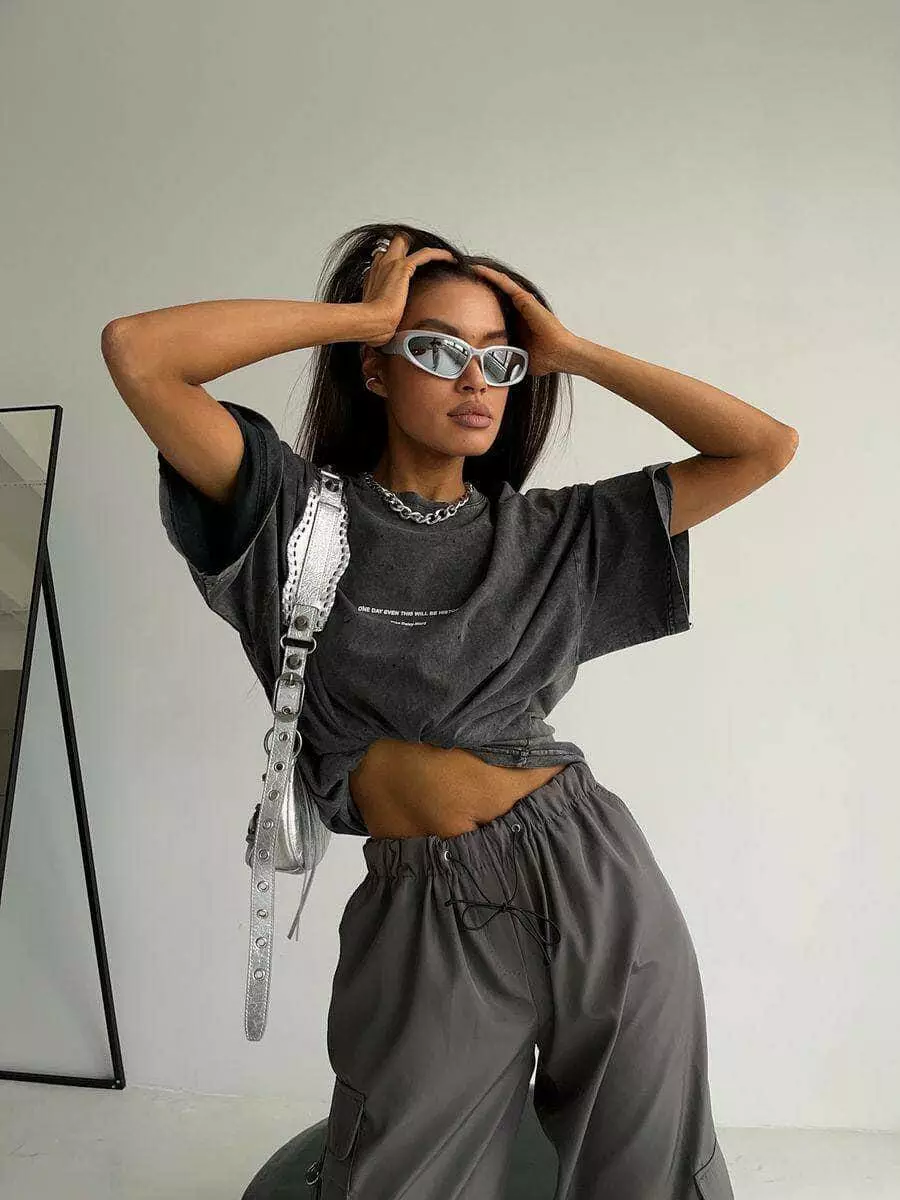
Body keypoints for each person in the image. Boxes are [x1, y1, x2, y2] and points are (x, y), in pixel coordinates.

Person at [101, 223, 798, 1199]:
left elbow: (764, 447)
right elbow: (140, 354)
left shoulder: (555, 534)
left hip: (594, 875)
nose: (475, 380)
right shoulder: (292, 512)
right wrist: (363, 316)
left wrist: (572, 352)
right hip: (423, 906)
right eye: (435, 349)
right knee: (399, 1178)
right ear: (376, 371)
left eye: (498, 359)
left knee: (652, 1177)